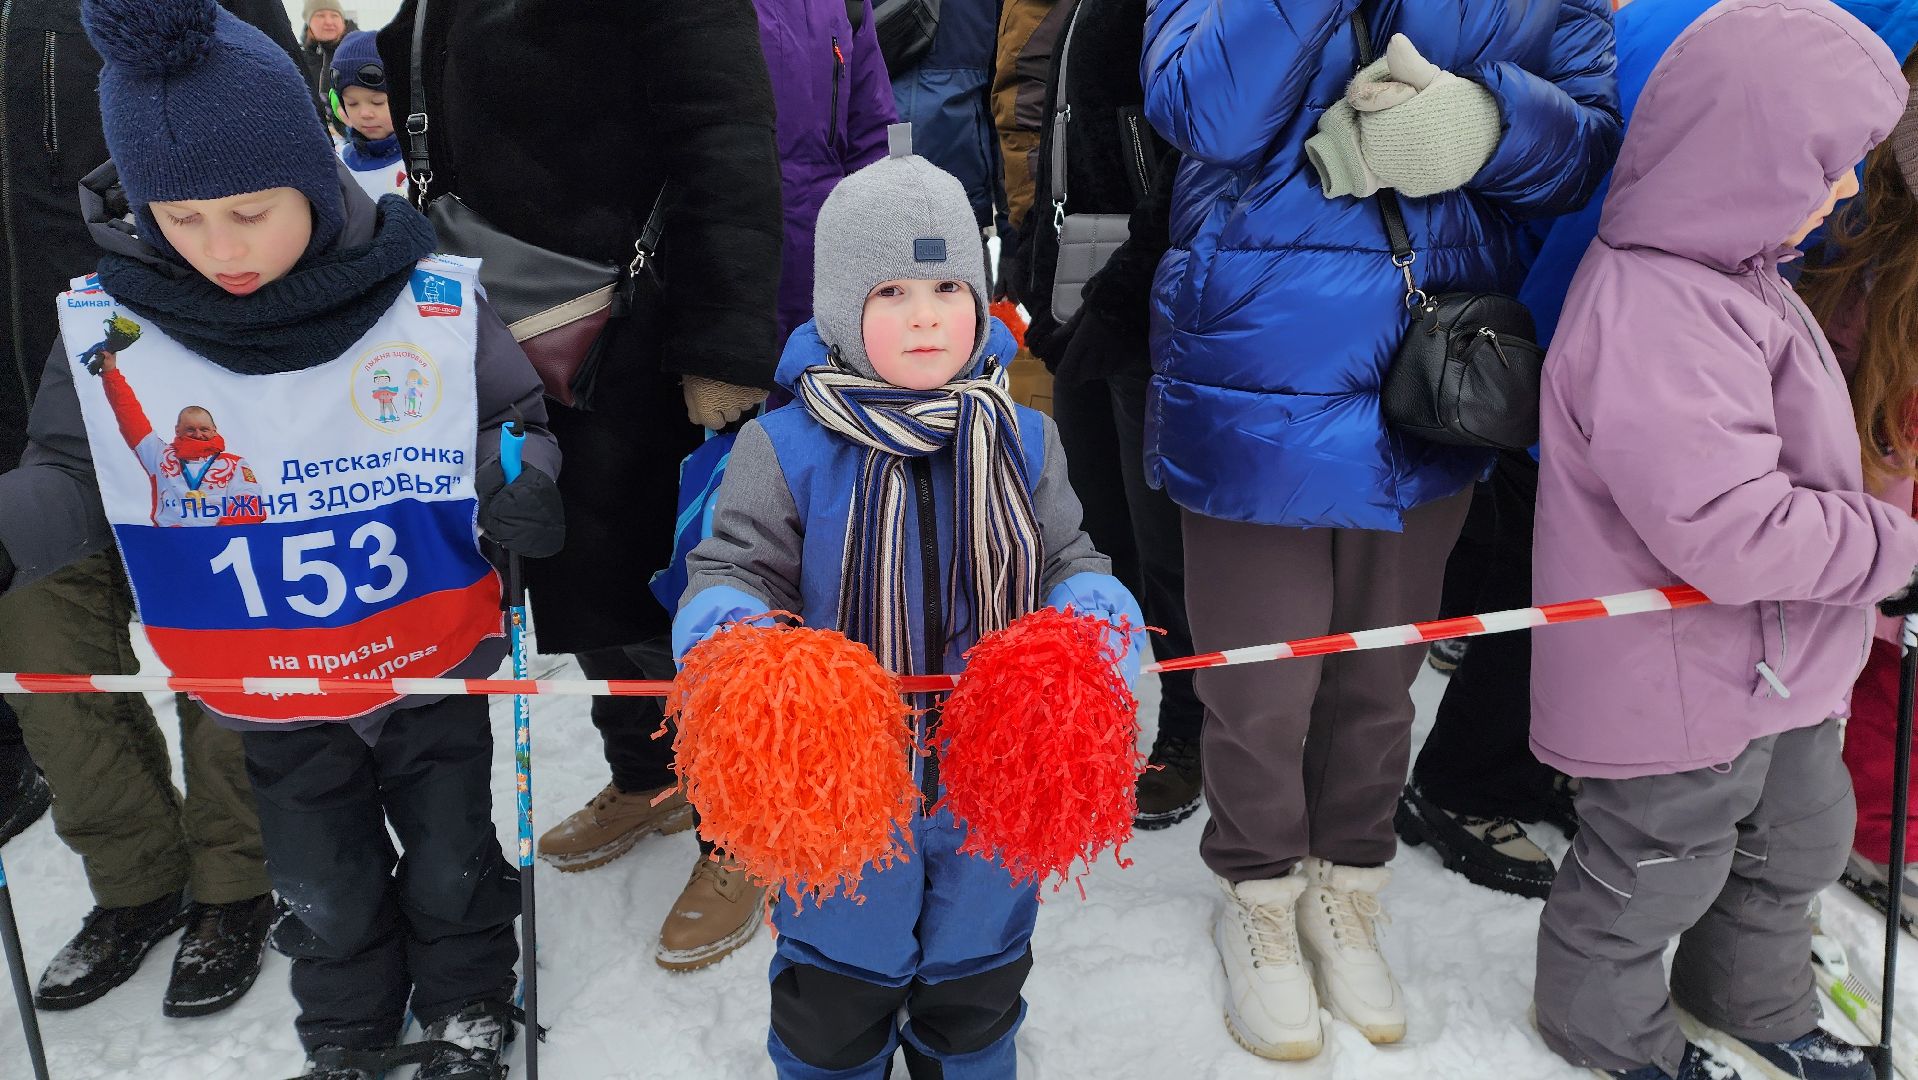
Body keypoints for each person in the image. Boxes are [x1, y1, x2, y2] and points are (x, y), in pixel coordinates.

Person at [0, 0, 565, 1074]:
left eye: (250, 212)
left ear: (310, 178)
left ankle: (466, 997)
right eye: (183, 219)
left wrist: (523, 479)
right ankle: (345, 1022)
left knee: (450, 855)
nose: (221, 250)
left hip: (422, 651)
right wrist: (22, 523)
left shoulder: (416, 292)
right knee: (321, 873)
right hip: (269, 673)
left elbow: (504, 417)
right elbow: (73, 471)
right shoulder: (118, 325)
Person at [1140, 0, 1621, 1060]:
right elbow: (1202, 112)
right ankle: (1261, 896)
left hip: (1429, 365)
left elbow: (1587, 151)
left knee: (1379, 674)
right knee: (1257, 686)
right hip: (1253, 363)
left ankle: (1345, 882)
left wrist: (1488, 121)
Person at [1398, 0, 1918, 904]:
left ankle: (1544, 771)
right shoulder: (1829, 31)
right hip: (1658, 317)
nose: (1853, 178)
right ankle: (1467, 784)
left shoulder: (1745, 23)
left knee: (1569, 570)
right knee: (1567, 580)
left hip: (1659, 281)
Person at [675, 128, 1142, 1080]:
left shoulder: (1025, 436)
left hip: (992, 782)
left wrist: (1093, 616)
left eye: (946, 291)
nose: (925, 317)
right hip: (841, 790)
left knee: (977, 977)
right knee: (839, 985)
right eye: (891, 293)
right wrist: (746, 651)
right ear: (845, 310)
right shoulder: (786, 446)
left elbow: (1068, 553)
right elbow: (734, 571)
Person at [1528, 3, 1918, 1078]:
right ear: (1751, 156)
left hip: (1773, 665)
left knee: (1792, 842)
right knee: (1656, 862)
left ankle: (1751, 996)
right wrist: (1890, 552)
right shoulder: (1659, 310)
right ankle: (1606, 1028)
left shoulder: (1743, 275)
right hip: (1675, 682)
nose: (1845, 191)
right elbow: (1727, 527)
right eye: (1827, 164)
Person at [0, 0, 299, 1023]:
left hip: (163, 369)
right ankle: (132, 885)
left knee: (215, 640)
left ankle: (234, 880)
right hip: (21, 425)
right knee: (45, 659)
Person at [1011, 0, 1205, 830]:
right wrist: (1029, 244)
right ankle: (1099, 710)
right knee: (1089, 524)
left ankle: (1193, 728)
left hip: (1149, 299)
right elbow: (1059, 134)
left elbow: (1196, 160)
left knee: (1166, 541)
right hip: (1079, 289)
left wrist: (1127, 294)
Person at [1802, 48, 1918, 914]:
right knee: (1875, 655)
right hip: (1876, 464)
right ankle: (1875, 832)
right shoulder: (1874, 259)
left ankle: (1886, 826)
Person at [327, 31, 407, 202]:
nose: (365, 114)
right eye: (352, 103)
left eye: (377, 102)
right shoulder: (341, 165)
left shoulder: (422, 163)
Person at [299, 1, 357, 135]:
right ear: (309, 22)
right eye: (320, 15)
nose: (329, 22)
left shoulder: (361, 52)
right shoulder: (299, 59)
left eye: (335, 15)